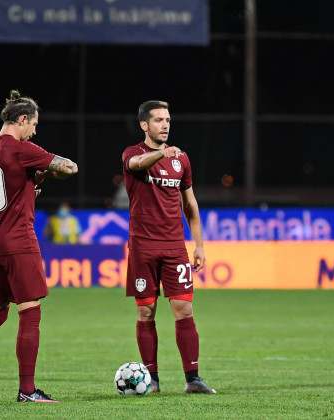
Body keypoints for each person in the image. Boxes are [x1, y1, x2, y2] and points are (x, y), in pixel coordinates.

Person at [0, 90, 78, 403]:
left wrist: (19, 189)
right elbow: (70, 167)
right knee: (30, 314)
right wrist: (42, 173)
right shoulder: (22, 149)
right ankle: (28, 391)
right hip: (19, 242)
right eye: (33, 124)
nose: (34, 130)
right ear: (21, 120)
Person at [121, 100, 216, 394]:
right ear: (144, 125)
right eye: (159, 120)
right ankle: (152, 381)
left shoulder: (181, 160)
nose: (165, 125)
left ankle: (193, 379)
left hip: (175, 246)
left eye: (168, 120)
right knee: (146, 312)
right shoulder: (132, 154)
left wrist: (198, 244)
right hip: (142, 248)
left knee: (184, 309)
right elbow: (137, 165)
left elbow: (190, 204)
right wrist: (161, 153)